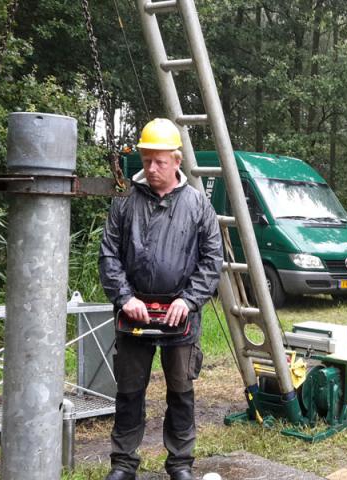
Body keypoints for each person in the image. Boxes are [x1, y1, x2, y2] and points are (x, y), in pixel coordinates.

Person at [99, 118, 223, 480]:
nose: (151, 168)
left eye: (159, 161)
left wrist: (188, 301)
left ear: (176, 161)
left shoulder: (199, 205)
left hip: (180, 314)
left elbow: (212, 260)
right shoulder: (124, 201)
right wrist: (124, 298)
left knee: (181, 392)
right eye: (146, 160)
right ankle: (123, 464)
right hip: (134, 313)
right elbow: (109, 255)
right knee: (129, 391)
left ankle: (180, 464)